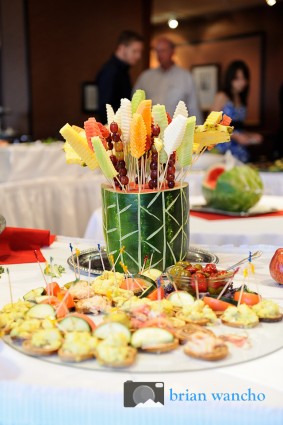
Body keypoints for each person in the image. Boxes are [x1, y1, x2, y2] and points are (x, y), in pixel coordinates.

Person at [133, 37, 202, 123]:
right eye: (157, 51)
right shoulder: (145, 77)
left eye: (163, 51)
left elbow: (193, 108)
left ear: (172, 52)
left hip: (178, 130)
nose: (160, 54)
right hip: (151, 131)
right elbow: (135, 106)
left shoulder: (186, 77)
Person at [211, 60, 262, 163]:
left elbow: (238, 127)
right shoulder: (222, 96)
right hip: (223, 149)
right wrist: (235, 136)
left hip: (239, 150)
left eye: (244, 78)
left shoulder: (240, 98)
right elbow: (210, 126)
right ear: (230, 79)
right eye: (238, 78)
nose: (242, 82)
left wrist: (250, 136)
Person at [96, 30, 144, 124]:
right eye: (134, 51)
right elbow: (106, 108)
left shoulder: (122, 70)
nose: (138, 56)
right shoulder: (111, 71)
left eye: (140, 52)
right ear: (122, 48)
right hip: (114, 129)